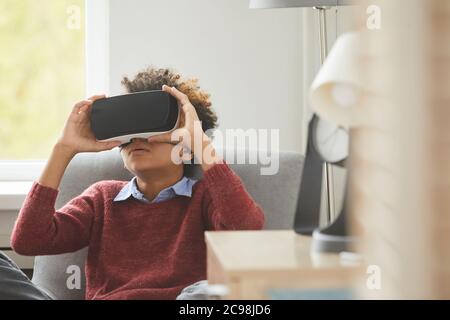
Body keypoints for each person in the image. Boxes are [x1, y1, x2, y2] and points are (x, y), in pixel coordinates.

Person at [2, 67, 265, 300]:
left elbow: (246, 232)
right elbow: (28, 241)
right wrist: (63, 149)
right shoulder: (102, 199)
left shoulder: (205, 198)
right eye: (129, 133)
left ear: (185, 147)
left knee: (209, 292)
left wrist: (201, 143)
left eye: (151, 130)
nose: (138, 139)